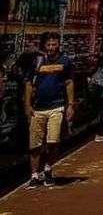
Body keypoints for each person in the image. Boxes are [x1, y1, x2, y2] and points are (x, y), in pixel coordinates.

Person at [25, 33, 74, 189]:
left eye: (54, 44)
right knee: (35, 144)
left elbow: (69, 83)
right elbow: (28, 84)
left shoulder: (65, 62)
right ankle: (34, 175)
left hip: (56, 106)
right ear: (44, 46)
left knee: (53, 141)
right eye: (49, 45)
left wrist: (71, 104)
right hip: (38, 108)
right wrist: (27, 104)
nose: (52, 48)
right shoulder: (36, 62)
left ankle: (47, 169)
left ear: (58, 45)